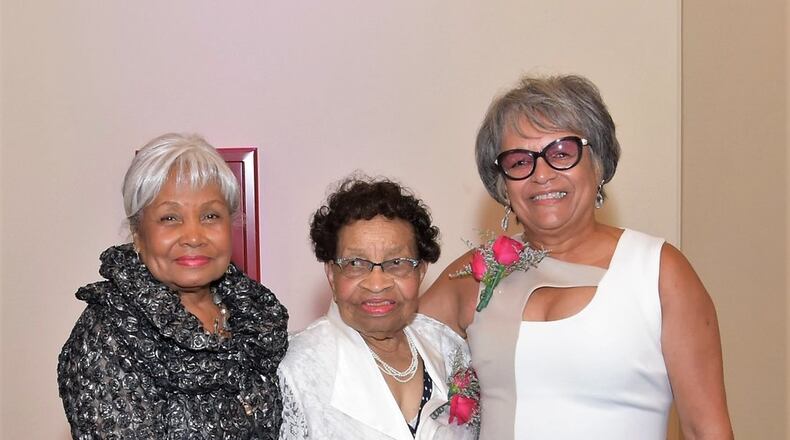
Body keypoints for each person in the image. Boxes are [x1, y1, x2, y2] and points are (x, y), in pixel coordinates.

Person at [420, 74, 733, 439]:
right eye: (520, 162)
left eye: (561, 153)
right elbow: (385, 356)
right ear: (503, 184)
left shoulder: (660, 272)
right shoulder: (472, 275)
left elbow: (706, 430)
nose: (541, 175)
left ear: (597, 163)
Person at [57, 133, 289, 439]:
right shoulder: (107, 334)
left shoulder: (255, 315)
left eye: (210, 216)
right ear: (138, 233)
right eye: (170, 217)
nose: (194, 236)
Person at [278, 177, 478, 440]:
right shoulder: (298, 368)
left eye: (396, 262)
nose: (377, 283)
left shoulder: (448, 348)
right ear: (331, 274)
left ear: (420, 272)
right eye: (355, 263)